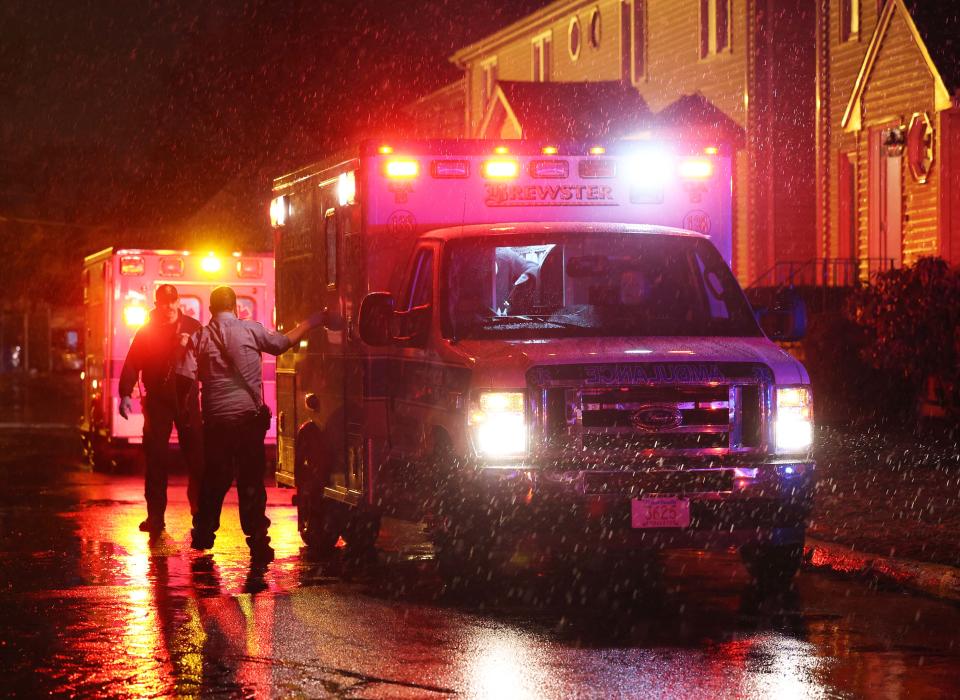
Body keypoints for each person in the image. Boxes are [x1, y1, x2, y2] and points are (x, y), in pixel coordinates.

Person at [177, 285, 321, 562]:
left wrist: (184, 408)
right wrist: (311, 322)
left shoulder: (200, 336)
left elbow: (185, 376)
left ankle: (204, 531)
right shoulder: (251, 330)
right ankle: (257, 539)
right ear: (235, 307)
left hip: (216, 421)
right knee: (251, 481)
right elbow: (281, 344)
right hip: (247, 421)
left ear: (210, 309)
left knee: (215, 478)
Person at [118, 284, 203, 536]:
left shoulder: (193, 327)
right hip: (158, 401)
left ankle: (199, 515)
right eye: (163, 302)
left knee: (197, 460)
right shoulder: (147, 332)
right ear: (157, 304)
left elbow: (208, 358)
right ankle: (155, 517)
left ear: (178, 302)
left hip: (188, 401)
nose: (167, 306)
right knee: (156, 460)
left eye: (172, 301)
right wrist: (125, 394)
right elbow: (133, 363)